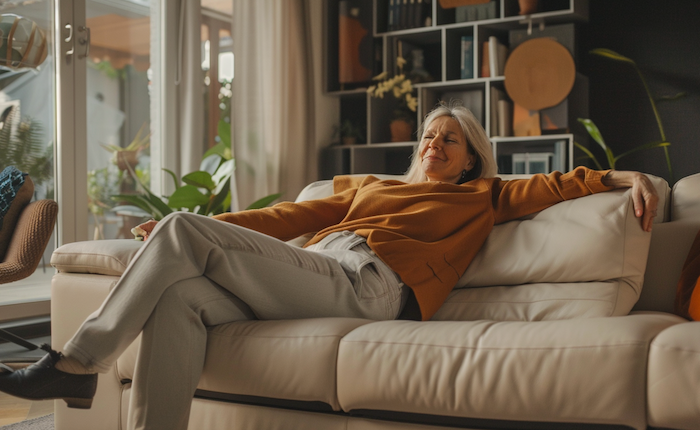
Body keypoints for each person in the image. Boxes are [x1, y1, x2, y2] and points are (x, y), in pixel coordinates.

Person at [0, 102, 658, 430]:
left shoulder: (480, 197)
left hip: (366, 285)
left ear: (468, 158)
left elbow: (557, 184)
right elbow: (283, 220)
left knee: (180, 236)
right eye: (429, 136)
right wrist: (197, 231)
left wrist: (624, 174)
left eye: (449, 140)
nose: (434, 144)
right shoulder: (366, 188)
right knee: (182, 299)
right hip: (311, 269)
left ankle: (77, 364)